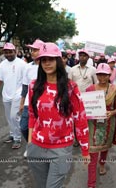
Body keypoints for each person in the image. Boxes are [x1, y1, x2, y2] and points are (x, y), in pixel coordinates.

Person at [26, 43, 90, 188]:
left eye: (51, 59)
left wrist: (85, 149)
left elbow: (80, 119)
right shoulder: (33, 86)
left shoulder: (71, 87)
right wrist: (30, 142)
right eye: (43, 60)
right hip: (37, 147)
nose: (47, 63)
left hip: (61, 150)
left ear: (58, 61)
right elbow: (32, 114)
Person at [86, 63, 116, 188]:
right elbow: (86, 107)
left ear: (109, 75)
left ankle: (102, 163)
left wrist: (111, 112)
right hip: (93, 124)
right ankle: (91, 184)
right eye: (99, 74)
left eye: (104, 75)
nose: (102, 77)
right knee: (92, 151)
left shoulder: (115, 89)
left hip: (108, 123)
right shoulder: (90, 89)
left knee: (105, 147)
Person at [0, 42, 26, 149]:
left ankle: (17, 138)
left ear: (15, 52)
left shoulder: (22, 64)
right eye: (6, 52)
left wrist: (25, 96)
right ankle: (12, 134)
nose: (8, 54)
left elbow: (26, 81)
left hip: (18, 94)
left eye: (10, 52)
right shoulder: (3, 64)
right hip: (6, 94)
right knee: (8, 117)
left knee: (14, 116)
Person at [19, 39, 45, 157]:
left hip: (44, 104)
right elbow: (25, 86)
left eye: (35, 50)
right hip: (29, 103)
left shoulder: (47, 66)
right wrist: (22, 102)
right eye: (32, 50)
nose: (32, 52)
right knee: (23, 127)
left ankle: (38, 147)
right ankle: (31, 144)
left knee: (42, 127)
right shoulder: (27, 67)